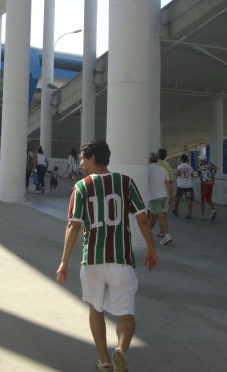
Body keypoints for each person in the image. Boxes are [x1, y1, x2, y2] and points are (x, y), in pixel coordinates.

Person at [56, 140, 157, 372]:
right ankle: (121, 349)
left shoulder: (81, 187)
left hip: (92, 260)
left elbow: (73, 225)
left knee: (96, 309)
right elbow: (142, 218)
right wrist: (152, 249)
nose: (81, 163)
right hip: (121, 260)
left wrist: (64, 261)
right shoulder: (125, 183)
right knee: (126, 312)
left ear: (92, 158)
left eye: (83, 158)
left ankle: (103, 360)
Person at [148, 152, 173, 245]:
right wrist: (170, 195)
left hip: (154, 197)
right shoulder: (163, 169)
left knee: (160, 216)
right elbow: (168, 183)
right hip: (163, 196)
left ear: (150, 160)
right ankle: (146, 234)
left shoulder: (147, 169)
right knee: (153, 217)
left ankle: (167, 235)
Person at [173, 154, 194, 219]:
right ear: (187, 159)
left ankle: (176, 210)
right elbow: (192, 175)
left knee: (177, 197)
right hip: (189, 185)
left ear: (181, 159)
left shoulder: (179, 166)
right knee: (189, 199)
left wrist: (176, 173)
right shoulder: (190, 167)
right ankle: (189, 214)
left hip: (181, 185)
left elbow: (179, 174)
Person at [197, 154, 218, 221]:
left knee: (202, 199)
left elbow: (199, 175)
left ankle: (203, 215)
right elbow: (215, 167)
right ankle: (213, 210)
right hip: (210, 182)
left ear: (201, 160)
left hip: (204, 183)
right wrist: (213, 176)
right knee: (209, 198)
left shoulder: (199, 166)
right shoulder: (210, 164)